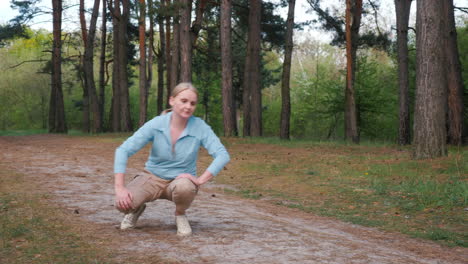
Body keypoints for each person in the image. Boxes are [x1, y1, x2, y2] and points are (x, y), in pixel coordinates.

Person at [113, 82, 230, 236]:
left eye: (192, 103)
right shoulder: (156, 124)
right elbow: (123, 150)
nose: (188, 106)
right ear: (172, 100)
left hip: (180, 181)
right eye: (183, 101)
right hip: (152, 177)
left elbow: (222, 155)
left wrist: (200, 180)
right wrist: (120, 188)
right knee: (122, 204)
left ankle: (180, 214)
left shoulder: (200, 127)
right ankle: (136, 209)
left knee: (185, 187)